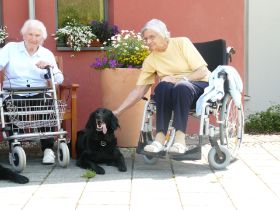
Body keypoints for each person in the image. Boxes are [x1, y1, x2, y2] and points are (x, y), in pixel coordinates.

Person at [113, 19, 210, 154]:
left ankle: (180, 140)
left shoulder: (181, 43)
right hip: (173, 91)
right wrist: (118, 111)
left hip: (198, 87)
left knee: (181, 87)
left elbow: (202, 71)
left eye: (152, 37)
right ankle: (159, 139)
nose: (148, 41)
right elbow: (139, 90)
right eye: (145, 39)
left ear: (164, 34)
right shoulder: (150, 60)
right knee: (162, 87)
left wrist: (178, 79)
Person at [0, 19, 64, 164]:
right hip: (13, 92)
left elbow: (59, 78)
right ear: (23, 35)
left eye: (37, 35)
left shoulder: (46, 53)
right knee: (12, 105)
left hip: (39, 92)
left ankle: (48, 149)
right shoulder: (10, 49)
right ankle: (16, 146)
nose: (33, 39)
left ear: (42, 38)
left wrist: (49, 68)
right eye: (30, 34)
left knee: (47, 103)